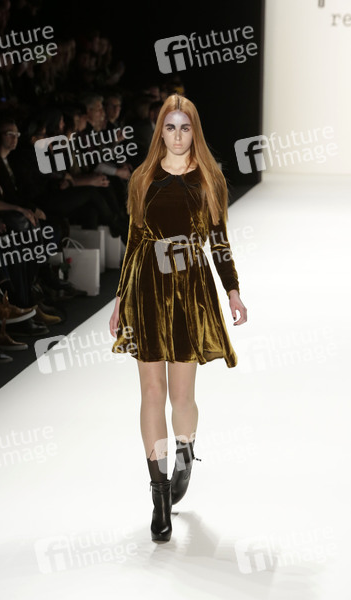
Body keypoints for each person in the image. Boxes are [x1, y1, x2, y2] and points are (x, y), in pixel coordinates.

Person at [109, 94, 248, 543]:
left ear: (194, 131)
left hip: (189, 290)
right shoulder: (143, 178)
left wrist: (233, 291)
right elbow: (134, 240)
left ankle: (185, 455)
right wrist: (119, 299)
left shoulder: (208, 178)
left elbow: (219, 241)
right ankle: (160, 495)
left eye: (184, 127)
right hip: (147, 288)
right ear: (160, 132)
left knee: (182, 396)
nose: (177, 135)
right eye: (170, 127)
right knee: (152, 391)